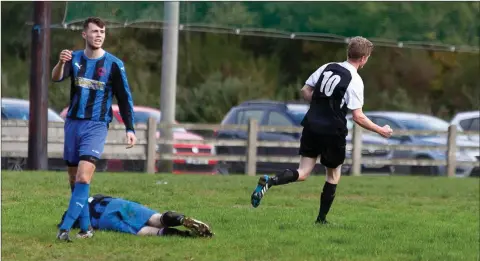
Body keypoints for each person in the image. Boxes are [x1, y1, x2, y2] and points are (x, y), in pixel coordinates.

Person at [250, 36, 393, 224]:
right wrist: (380, 130)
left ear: (348, 52)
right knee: (333, 175)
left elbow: (305, 90)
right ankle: (321, 220)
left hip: (311, 125)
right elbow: (358, 116)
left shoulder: (328, 66)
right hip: (332, 131)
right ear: (364, 58)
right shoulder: (355, 80)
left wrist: (320, 105)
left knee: (303, 171)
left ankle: (270, 181)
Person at [51, 17, 137, 242]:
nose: (99, 35)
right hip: (73, 124)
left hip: (97, 126)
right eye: (95, 31)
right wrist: (61, 62)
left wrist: (130, 128)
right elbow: (56, 78)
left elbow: (125, 98)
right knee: (73, 180)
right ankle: (87, 228)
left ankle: (65, 227)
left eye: (102, 31)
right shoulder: (74, 57)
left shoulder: (114, 64)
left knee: (83, 177)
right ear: (84, 34)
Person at [57, 194, 214, 241]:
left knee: (141, 230)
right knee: (156, 218)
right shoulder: (92, 196)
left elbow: (65, 222)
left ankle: (184, 236)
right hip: (117, 203)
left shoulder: (72, 213)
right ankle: (181, 220)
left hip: (104, 219)